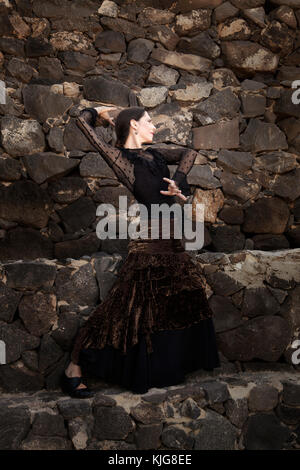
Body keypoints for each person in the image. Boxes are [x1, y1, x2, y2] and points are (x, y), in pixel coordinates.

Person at [61, 104, 221, 398]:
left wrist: (178, 184)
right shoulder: (119, 157)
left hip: (174, 244)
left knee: (181, 302)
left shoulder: (158, 155)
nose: (154, 127)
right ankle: (74, 365)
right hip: (148, 247)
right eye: (149, 121)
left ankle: (166, 369)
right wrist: (100, 111)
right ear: (133, 125)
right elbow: (83, 125)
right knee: (123, 309)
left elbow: (190, 151)